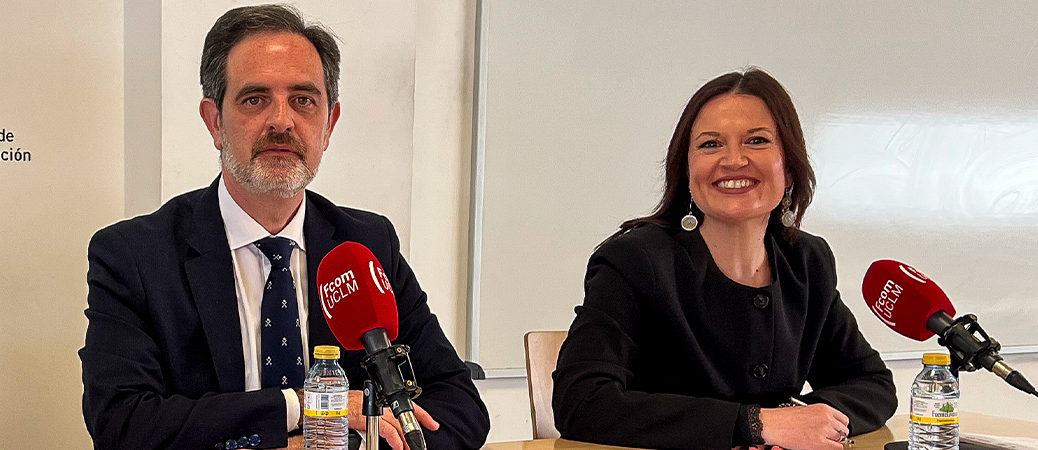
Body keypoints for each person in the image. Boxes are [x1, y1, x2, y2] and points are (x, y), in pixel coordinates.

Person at [79, 4, 489, 450]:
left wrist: (340, 444)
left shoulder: (366, 244)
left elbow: (459, 406)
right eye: (255, 99)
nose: (281, 120)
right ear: (215, 122)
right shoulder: (135, 256)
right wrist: (303, 406)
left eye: (303, 100)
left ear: (329, 125)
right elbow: (123, 424)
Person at [551, 68, 896, 450]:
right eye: (711, 144)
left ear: (789, 168)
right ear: (686, 169)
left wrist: (795, 420)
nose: (733, 160)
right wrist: (755, 424)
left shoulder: (806, 262)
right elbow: (581, 402)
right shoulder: (635, 261)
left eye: (757, 141)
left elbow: (872, 383)